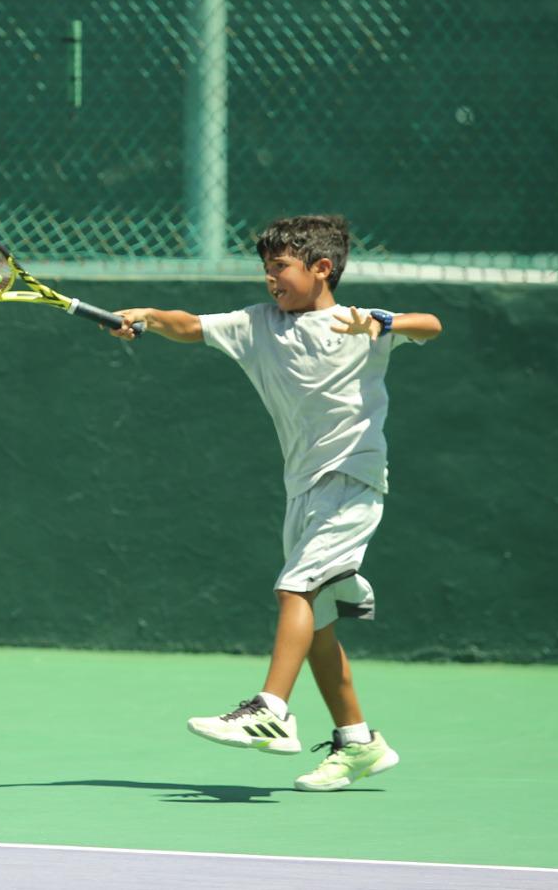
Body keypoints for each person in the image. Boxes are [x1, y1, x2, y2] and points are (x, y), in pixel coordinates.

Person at [109, 214, 442, 792]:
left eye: (281, 267)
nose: (271, 279)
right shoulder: (258, 325)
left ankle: (272, 711)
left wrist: (383, 321)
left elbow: (431, 324)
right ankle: (357, 742)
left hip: (352, 479)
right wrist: (146, 316)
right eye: (266, 269)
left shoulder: (356, 323)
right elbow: (188, 326)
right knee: (315, 626)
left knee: (296, 591)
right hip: (303, 489)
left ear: (320, 268)